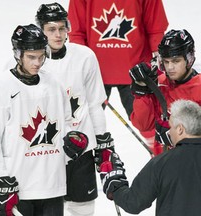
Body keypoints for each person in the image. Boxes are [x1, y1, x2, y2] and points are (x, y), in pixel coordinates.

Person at [0, 24, 89, 216]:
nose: (37, 62)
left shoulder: (53, 83)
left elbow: (68, 122)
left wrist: (74, 138)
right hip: (16, 187)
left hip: (52, 184)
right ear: (17, 54)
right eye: (31, 57)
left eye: (41, 56)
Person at [35, 3, 112, 216]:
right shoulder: (33, 64)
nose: (58, 34)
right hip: (47, 152)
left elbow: (95, 105)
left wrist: (102, 142)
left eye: (62, 27)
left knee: (83, 209)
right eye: (51, 29)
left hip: (82, 148)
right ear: (41, 30)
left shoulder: (85, 57)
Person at [67, 0, 169, 147]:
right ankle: (161, 154)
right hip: (97, 72)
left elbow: (155, 26)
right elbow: (75, 30)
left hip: (136, 70)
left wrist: (159, 61)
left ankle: (162, 154)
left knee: (148, 124)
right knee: (83, 125)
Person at [98, 99, 201, 215]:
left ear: (180, 129)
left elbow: (133, 203)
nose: (168, 132)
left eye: (170, 127)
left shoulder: (162, 163)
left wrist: (115, 185)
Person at [129, 29, 201, 155]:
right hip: (164, 160)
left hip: (194, 163)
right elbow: (144, 125)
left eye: (176, 61)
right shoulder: (160, 83)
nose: (170, 67)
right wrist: (142, 92)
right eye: (166, 62)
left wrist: (181, 138)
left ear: (189, 59)